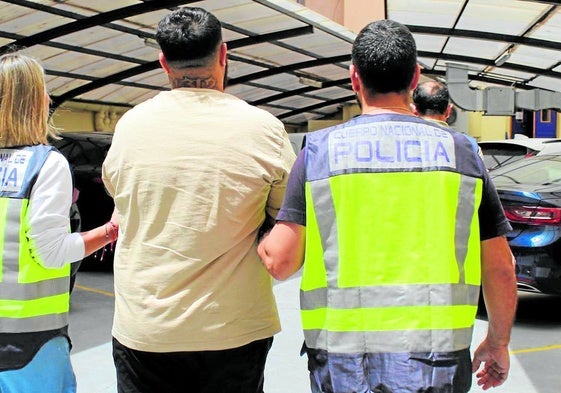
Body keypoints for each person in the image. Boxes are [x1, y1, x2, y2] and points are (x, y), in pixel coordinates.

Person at [257, 19, 518, 393]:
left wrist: (257, 233)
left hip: (344, 363)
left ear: (354, 78)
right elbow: (500, 266)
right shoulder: (462, 154)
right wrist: (498, 343)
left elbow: (281, 261)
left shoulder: (319, 153)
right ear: (415, 77)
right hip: (436, 363)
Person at [102, 7, 295, 393]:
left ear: (163, 62)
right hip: (232, 331)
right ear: (224, 54)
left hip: (145, 331)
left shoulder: (130, 127)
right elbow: (285, 217)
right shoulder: (264, 130)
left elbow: (120, 199)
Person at [0, 52, 118, 393]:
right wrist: (110, 231)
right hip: (29, 345)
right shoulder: (44, 165)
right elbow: (51, 252)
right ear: (33, 101)